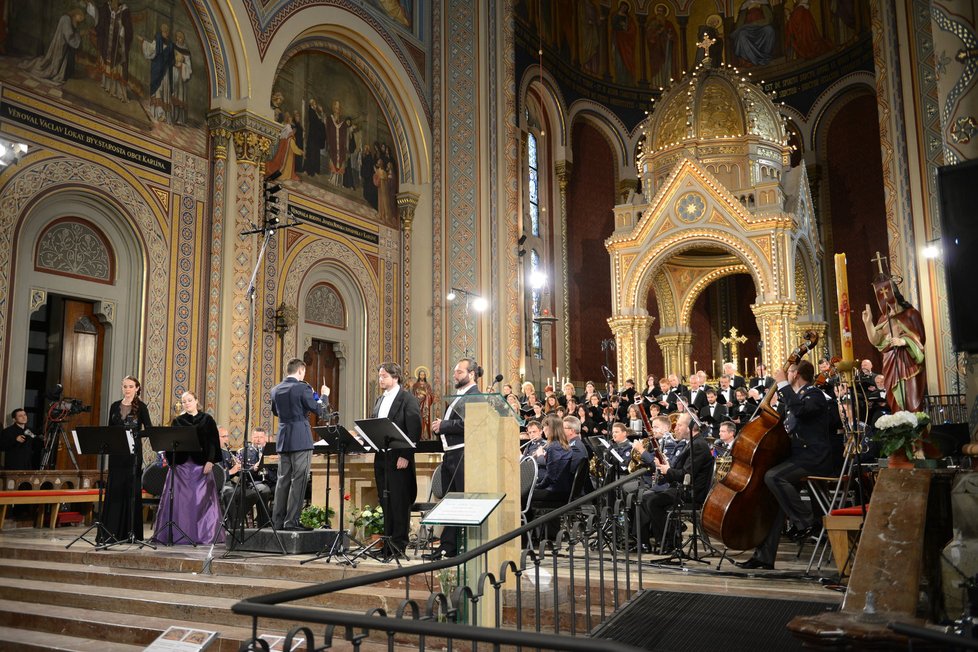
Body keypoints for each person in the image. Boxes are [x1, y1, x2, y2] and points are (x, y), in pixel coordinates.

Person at [735, 360, 835, 570]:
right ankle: (764, 557)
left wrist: (781, 384)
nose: (785, 374)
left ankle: (807, 521)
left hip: (814, 458)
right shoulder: (794, 398)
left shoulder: (814, 394)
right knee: (774, 503)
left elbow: (800, 411)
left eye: (789, 371)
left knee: (774, 477)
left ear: (796, 374)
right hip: (797, 458)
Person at [153, 391, 223, 545]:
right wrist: (172, 462)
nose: (187, 404)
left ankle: (203, 535)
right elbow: (171, 444)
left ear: (196, 401)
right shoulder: (178, 421)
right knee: (181, 503)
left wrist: (210, 461)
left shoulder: (207, 419)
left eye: (190, 400)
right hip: (181, 466)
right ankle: (178, 535)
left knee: (201, 501)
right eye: (184, 402)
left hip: (201, 466)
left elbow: (213, 442)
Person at [428, 357, 481, 558]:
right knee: (451, 501)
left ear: (472, 374)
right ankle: (447, 547)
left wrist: (444, 426)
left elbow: (472, 424)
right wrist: (439, 427)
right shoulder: (460, 395)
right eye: (455, 371)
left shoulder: (476, 395)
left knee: (461, 500)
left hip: (464, 453)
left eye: (459, 372)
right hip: (452, 453)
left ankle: (459, 547)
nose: (455, 375)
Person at [637, 412, 712, 551]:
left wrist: (667, 470)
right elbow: (682, 470)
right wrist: (666, 468)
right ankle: (665, 540)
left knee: (653, 501)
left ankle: (669, 542)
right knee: (648, 498)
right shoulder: (693, 443)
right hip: (684, 488)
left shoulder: (698, 445)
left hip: (692, 493)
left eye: (679, 425)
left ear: (690, 427)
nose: (675, 428)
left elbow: (686, 475)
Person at [370, 362, 421, 560]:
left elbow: (414, 429)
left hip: (399, 457)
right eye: (380, 376)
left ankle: (399, 544)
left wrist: (405, 455)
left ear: (395, 377)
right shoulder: (379, 399)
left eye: (384, 376)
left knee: (399, 501)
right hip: (381, 456)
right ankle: (387, 542)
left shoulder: (407, 399)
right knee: (385, 500)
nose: (380, 379)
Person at [270, 358, 327, 532]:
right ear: (301, 371)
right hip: (301, 438)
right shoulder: (303, 388)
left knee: (283, 480)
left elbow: (275, 412)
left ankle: (277, 521)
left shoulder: (275, 390)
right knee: (299, 480)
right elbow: (320, 410)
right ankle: (291, 522)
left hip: (283, 438)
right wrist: (324, 395)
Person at [861, 277, 926, 414]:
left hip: (908, 362)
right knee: (895, 401)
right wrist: (868, 323)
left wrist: (904, 341)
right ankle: (901, 429)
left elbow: (921, 338)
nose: (887, 305)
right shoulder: (884, 319)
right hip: (890, 361)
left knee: (911, 399)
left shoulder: (910, 314)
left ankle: (916, 431)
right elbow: (876, 340)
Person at [100, 376, 152, 543]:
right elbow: (109, 429)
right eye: (125, 386)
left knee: (130, 490)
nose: (127, 389)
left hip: (133, 454)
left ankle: (131, 534)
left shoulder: (141, 407)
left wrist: (135, 433)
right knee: (114, 489)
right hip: (117, 453)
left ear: (137, 388)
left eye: (130, 386)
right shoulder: (115, 406)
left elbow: (149, 430)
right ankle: (110, 532)